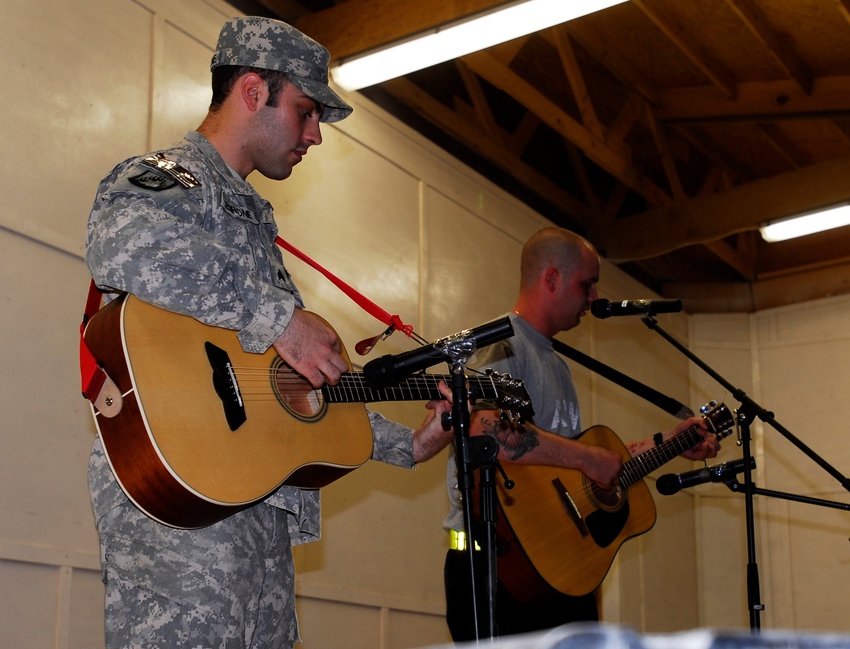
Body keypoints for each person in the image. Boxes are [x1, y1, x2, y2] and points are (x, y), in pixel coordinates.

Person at [84, 17, 455, 649]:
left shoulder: (255, 225)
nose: (315, 135)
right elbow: (122, 248)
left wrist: (410, 446)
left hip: (258, 519)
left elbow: (285, 396)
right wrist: (281, 318)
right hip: (182, 518)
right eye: (306, 112)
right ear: (253, 91)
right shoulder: (171, 178)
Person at [442, 226, 722, 641]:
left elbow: (573, 465)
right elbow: (484, 431)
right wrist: (587, 457)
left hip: (562, 568)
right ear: (551, 278)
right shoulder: (500, 345)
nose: (594, 298)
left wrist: (670, 441)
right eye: (587, 284)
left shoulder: (557, 364)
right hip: (498, 569)